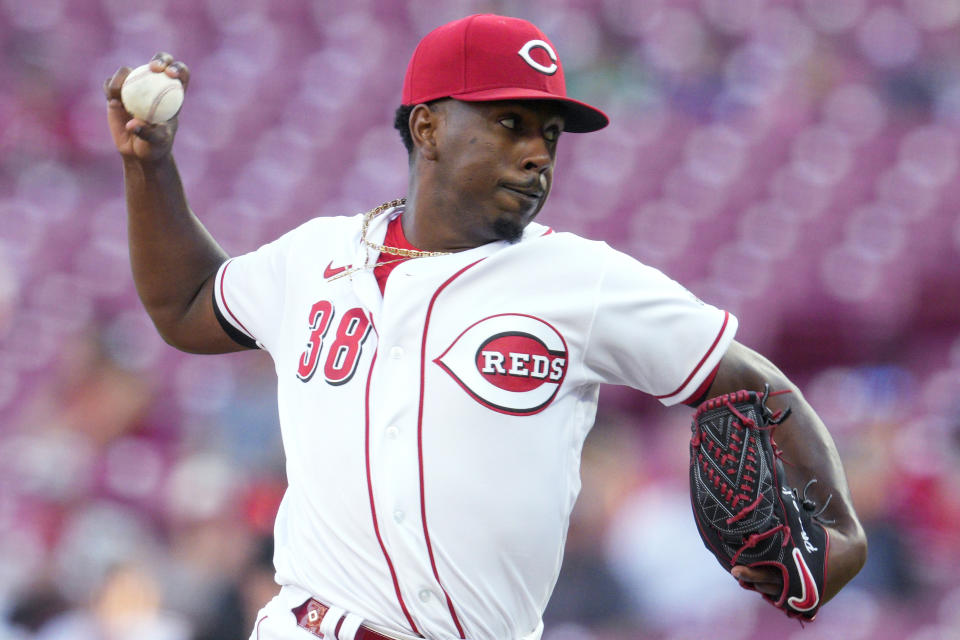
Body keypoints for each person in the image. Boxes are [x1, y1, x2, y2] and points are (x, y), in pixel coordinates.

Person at [104, 13, 866, 640]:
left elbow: (754, 381)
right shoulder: (316, 256)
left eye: (550, 134)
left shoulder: (582, 280)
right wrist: (150, 170)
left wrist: (845, 537)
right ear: (428, 127)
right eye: (510, 123)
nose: (537, 153)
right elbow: (188, 304)